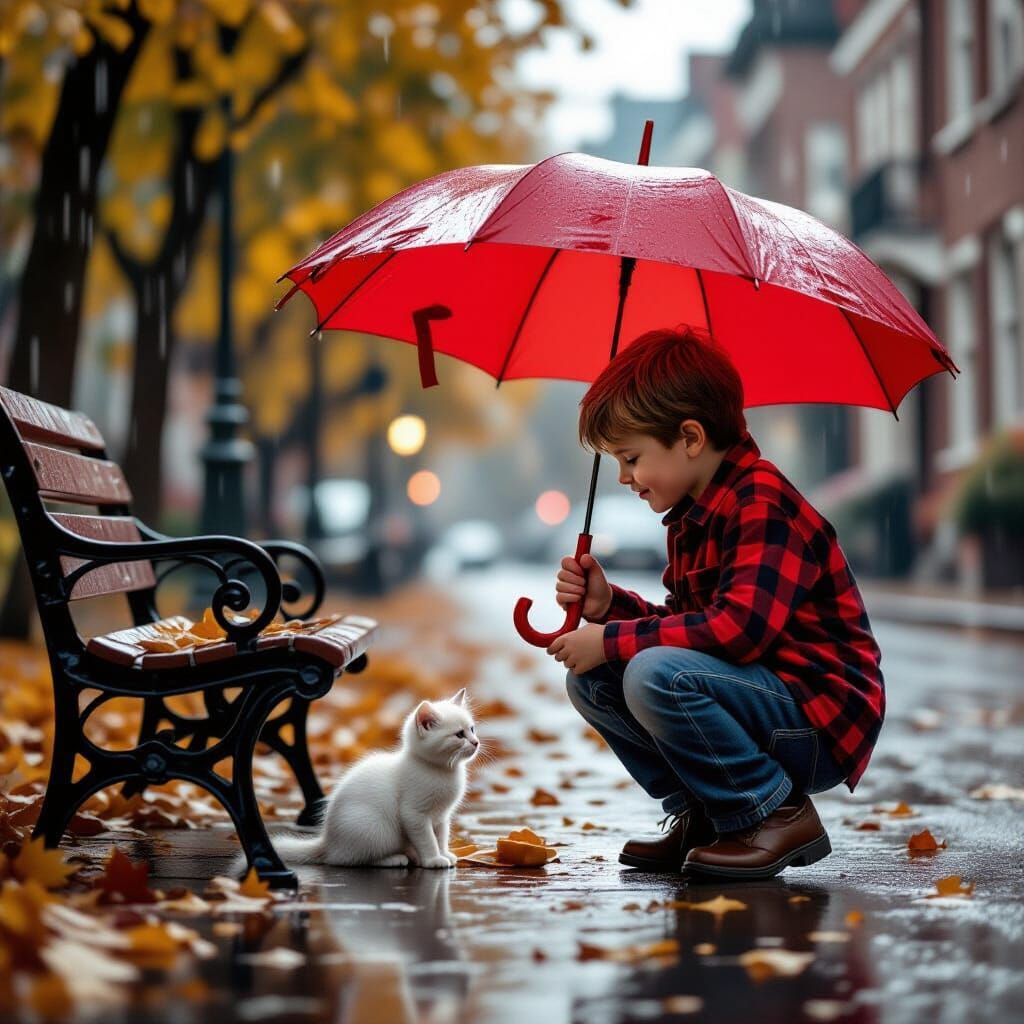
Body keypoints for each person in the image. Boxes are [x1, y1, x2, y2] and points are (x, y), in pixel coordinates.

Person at [549, 327, 885, 880]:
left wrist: (610, 640)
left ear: (690, 437)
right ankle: (706, 814)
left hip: (817, 719)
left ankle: (773, 810)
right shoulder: (692, 514)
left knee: (654, 673)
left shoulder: (762, 500)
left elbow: (737, 632)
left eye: (631, 457)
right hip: (759, 699)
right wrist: (611, 607)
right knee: (594, 680)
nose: (624, 477)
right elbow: (689, 630)